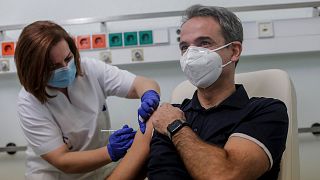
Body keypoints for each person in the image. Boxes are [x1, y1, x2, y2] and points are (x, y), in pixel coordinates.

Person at [107, 5, 288, 180]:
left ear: (234, 51)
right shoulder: (164, 115)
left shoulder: (265, 112)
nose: (191, 54)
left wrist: (174, 126)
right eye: (185, 47)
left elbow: (225, 175)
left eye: (204, 43)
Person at [14, 20, 160, 180]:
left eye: (68, 58)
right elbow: (62, 161)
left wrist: (149, 95)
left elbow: (141, 83)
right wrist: (110, 151)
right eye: (53, 67)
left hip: (102, 169)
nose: (64, 67)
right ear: (34, 70)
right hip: (55, 175)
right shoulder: (28, 101)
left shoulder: (89, 69)